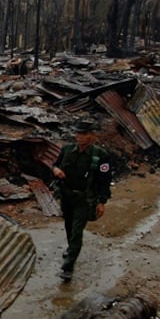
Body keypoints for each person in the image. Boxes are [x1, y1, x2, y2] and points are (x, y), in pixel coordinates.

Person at [49, 120, 112, 281]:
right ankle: (72, 250)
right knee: (69, 227)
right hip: (67, 196)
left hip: (85, 200)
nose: (80, 137)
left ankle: (68, 267)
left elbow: (105, 181)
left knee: (77, 232)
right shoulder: (67, 149)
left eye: (83, 134)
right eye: (78, 133)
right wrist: (56, 170)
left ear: (92, 135)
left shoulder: (100, 156)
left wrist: (102, 202)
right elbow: (55, 165)